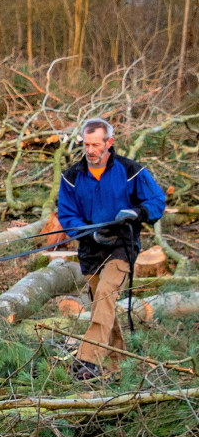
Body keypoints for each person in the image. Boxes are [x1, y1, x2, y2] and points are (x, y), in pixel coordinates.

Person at [57, 118, 166, 380]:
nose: (91, 150)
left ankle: (87, 360)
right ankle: (120, 369)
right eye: (86, 144)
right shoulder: (71, 177)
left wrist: (137, 212)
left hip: (122, 246)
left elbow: (157, 201)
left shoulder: (131, 171)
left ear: (109, 143)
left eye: (96, 144)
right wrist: (89, 231)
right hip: (90, 249)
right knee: (102, 307)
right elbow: (67, 215)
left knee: (105, 295)